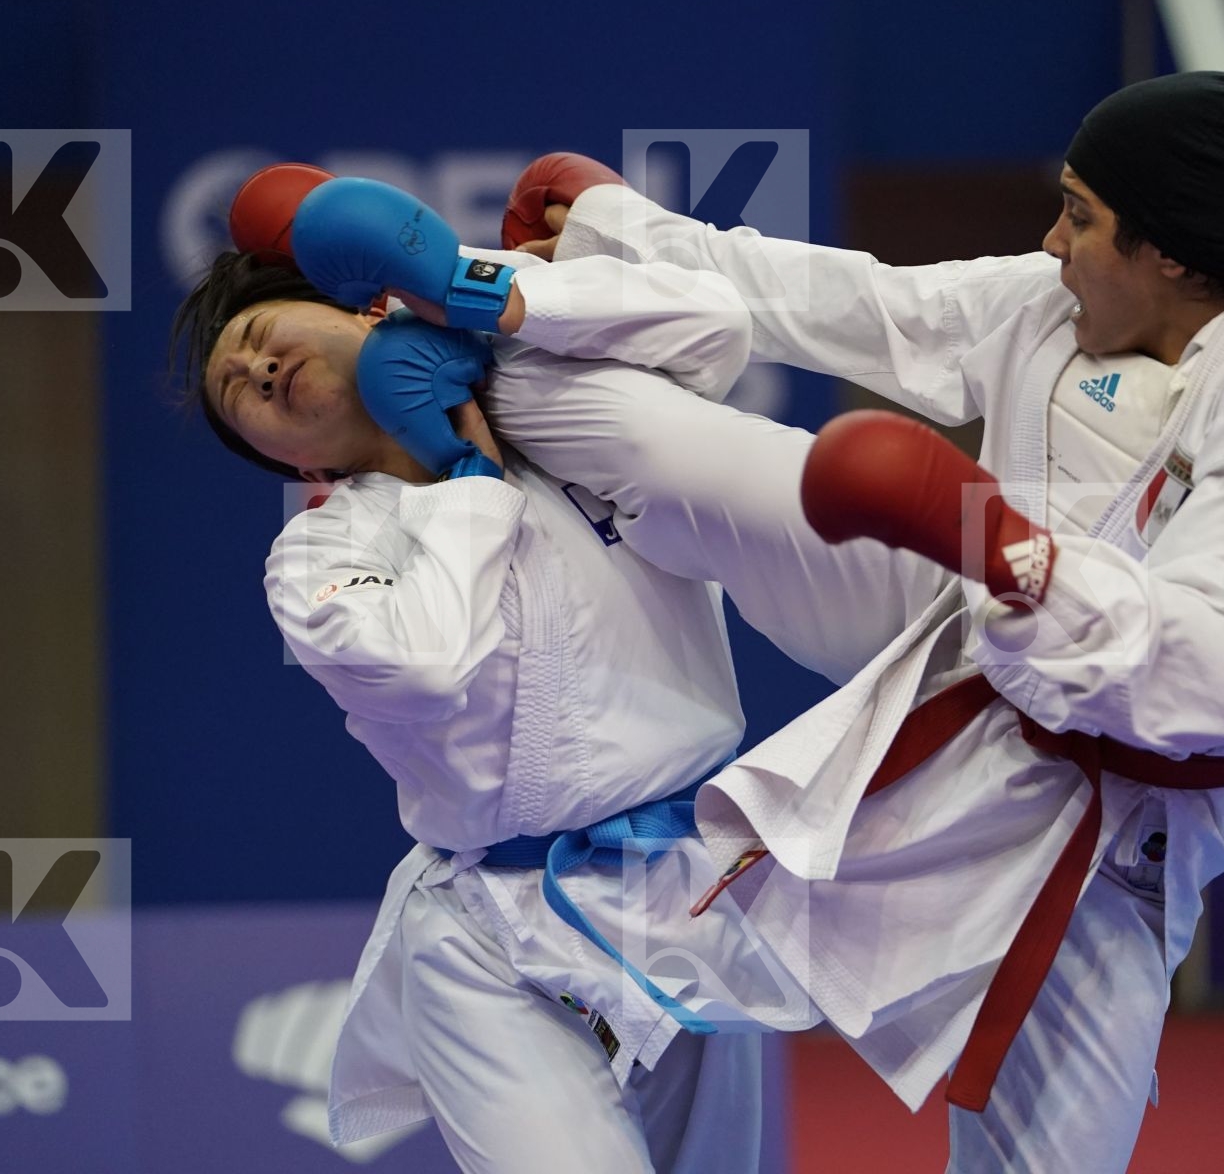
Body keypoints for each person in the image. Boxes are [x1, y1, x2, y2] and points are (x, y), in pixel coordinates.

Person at [445, 71, 1224, 1172]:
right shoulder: (1059, 298)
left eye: (1080, 215)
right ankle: (442, 359)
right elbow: (856, 302)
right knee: (693, 458)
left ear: (1174, 254)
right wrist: (624, 233)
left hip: (1109, 826)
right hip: (960, 628)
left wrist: (1007, 552)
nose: (1050, 240)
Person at [168, 229, 851, 1171]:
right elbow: (423, 667)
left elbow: (714, 329)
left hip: (688, 894)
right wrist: (467, 483)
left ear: (370, 309)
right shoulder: (321, 557)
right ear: (293, 466)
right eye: (235, 391)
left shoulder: (559, 411)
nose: (253, 366)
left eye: (255, 332)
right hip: (490, 940)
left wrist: (481, 288)